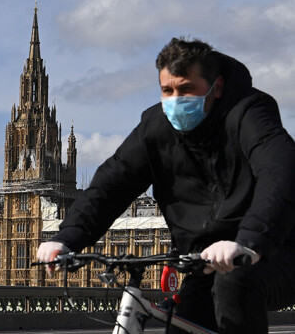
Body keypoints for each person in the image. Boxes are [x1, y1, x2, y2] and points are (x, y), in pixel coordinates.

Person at [37, 37, 295, 333]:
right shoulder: (155, 127)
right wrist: (67, 237)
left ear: (217, 87)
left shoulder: (249, 112)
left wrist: (249, 241)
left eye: (186, 89)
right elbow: (112, 183)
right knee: (180, 324)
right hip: (205, 262)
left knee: (236, 282)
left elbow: (279, 172)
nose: (176, 100)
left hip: (275, 249)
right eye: (167, 91)